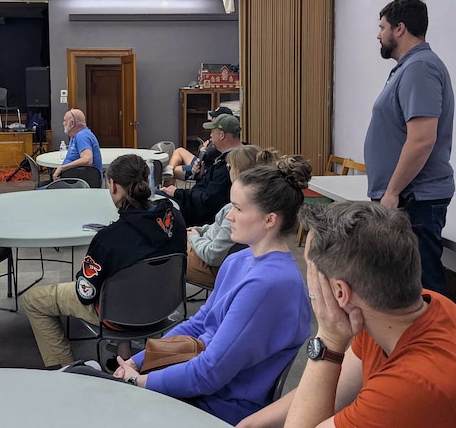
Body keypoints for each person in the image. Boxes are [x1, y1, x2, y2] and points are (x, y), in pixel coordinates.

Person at [238, 202, 456, 428]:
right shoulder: (404, 311)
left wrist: (328, 338)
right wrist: (251, 423)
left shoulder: (412, 386)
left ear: (340, 292)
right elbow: (335, 388)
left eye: (312, 274)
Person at [114, 156, 313, 425]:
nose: (229, 215)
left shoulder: (268, 285)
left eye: (239, 209)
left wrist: (141, 381)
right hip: (200, 385)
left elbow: (209, 373)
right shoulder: (239, 260)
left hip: (221, 405)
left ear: (269, 220)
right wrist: (139, 361)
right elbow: (199, 323)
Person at [23, 154, 186, 368]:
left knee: (34, 300)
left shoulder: (109, 238)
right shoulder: (173, 216)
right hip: (165, 306)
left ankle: (67, 370)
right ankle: (123, 356)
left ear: (113, 186)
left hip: (119, 315)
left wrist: (83, 274)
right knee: (123, 279)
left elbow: (86, 292)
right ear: (147, 182)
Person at [364, 0, 454, 294]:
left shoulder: (420, 69)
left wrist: (392, 192)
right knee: (403, 285)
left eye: (382, 27)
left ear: (399, 29)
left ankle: (434, 341)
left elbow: (422, 139)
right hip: (405, 198)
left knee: (421, 287)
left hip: (412, 199)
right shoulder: (409, 68)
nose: (379, 34)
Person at [186, 145, 278, 289]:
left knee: (167, 253)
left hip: (217, 269)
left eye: (229, 167)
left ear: (238, 171)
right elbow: (219, 231)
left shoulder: (236, 210)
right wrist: (200, 230)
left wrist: (193, 237)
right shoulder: (265, 204)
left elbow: (213, 255)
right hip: (224, 260)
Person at [160, 113, 243, 226]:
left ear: (222, 135)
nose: (210, 135)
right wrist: (201, 175)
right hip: (197, 205)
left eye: (212, 132)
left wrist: (177, 192)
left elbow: (208, 201)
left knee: (156, 198)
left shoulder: (227, 165)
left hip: (198, 215)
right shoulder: (242, 155)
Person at [165, 106, 234, 182]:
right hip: (201, 161)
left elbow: (205, 154)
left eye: (214, 117)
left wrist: (203, 148)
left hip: (205, 168)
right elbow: (204, 149)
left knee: (175, 171)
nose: (212, 119)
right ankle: (169, 170)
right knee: (179, 151)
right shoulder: (220, 134)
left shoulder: (221, 137)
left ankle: (167, 189)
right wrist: (203, 147)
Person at [53, 108, 103, 180]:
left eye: (65, 120)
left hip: (79, 185)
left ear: (72, 123)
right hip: (73, 181)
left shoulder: (82, 136)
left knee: (39, 190)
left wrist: (62, 168)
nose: (63, 123)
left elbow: (87, 160)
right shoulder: (76, 136)